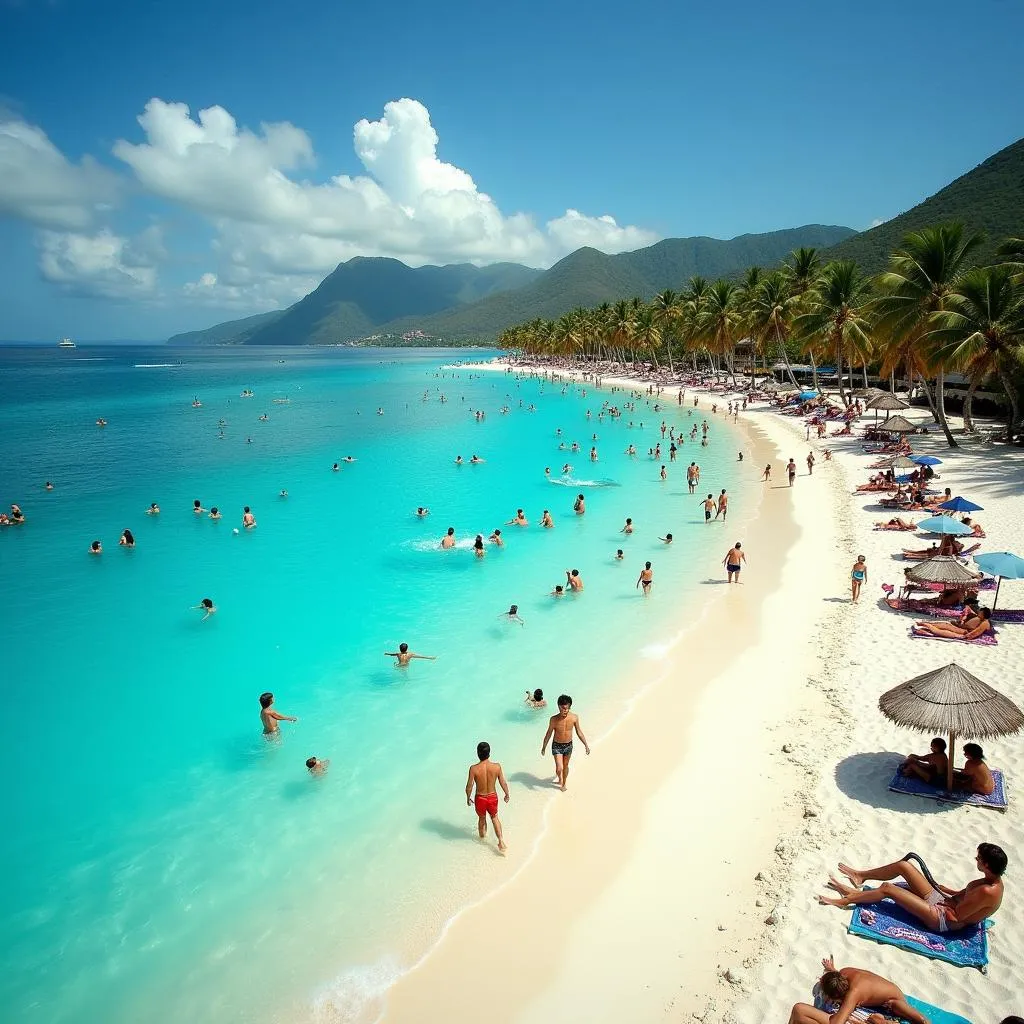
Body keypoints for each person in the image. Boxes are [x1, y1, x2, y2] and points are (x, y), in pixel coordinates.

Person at [816, 843, 1007, 931]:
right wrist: (942, 890)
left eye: (978, 858)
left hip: (943, 920)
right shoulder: (988, 880)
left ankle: (846, 900)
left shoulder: (987, 891)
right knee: (904, 866)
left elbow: (957, 916)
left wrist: (940, 904)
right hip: (944, 902)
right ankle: (861, 876)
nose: (976, 860)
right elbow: (961, 895)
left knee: (888, 889)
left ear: (987, 865)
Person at [787, 956, 930, 1024]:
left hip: (894, 1002)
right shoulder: (844, 973)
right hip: (887, 995)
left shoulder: (853, 994)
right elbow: (837, 978)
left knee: (799, 1010)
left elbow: (837, 1023)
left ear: (839, 997)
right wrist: (831, 970)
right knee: (799, 1016)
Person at [466, 741, 509, 852]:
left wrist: (468, 797)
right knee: (494, 817)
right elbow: (503, 782)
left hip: (480, 798)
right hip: (492, 797)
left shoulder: (473, 769)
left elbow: (469, 786)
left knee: (482, 818)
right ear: (489, 753)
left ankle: (482, 841)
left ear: (477, 753)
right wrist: (507, 793)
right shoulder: (497, 767)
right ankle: (501, 841)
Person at [541, 695, 591, 791]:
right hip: (557, 746)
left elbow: (579, 732)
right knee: (559, 768)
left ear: (569, 707)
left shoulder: (574, 718)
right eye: (562, 708)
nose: (564, 711)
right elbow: (548, 734)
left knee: (565, 766)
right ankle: (560, 777)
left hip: (568, 745)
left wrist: (586, 745)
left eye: (566, 708)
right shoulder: (553, 719)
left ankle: (564, 783)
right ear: (558, 706)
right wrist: (544, 747)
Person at [913, 608, 993, 641]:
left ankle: (927, 625)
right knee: (947, 626)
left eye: (980, 612)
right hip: (966, 631)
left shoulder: (985, 623)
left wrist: (965, 637)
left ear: (983, 614)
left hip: (967, 633)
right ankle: (926, 624)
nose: (978, 613)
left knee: (945, 631)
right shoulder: (983, 620)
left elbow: (976, 632)